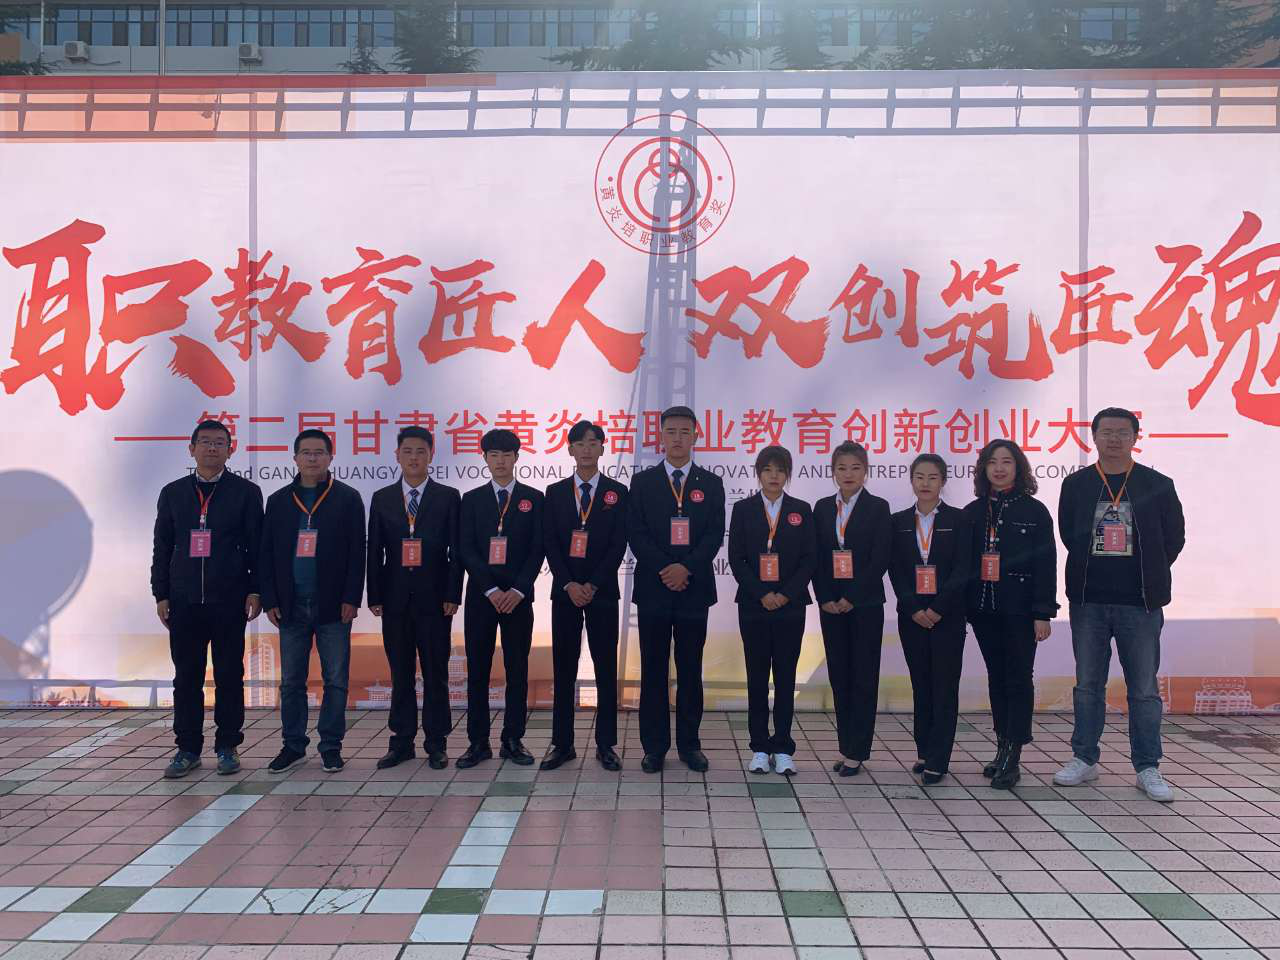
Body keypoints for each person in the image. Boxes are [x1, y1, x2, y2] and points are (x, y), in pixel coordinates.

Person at [1054, 407, 1185, 803]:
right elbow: (1069, 534)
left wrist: (1149, 571)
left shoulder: (1156, 485)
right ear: (1093, 437)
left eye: (1122, 432)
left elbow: (1174, 538)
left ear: (1135, 437)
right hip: (1089, 601)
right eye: (1106, 432)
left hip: (1140, 604)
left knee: (1143, 688)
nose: (1113, 439)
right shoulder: (1077, 485)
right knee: (1087, 685)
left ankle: (1147, 766)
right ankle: (1084, 758)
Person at [151, 419, 263, 778]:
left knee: (230, 675)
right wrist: (161, 593)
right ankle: (187, 748)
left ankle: (228, 746)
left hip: (229, 600)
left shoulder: (246, 492)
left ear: (231, 449)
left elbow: (257, 547)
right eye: (205, 442)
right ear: (192, 448)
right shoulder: (173, 493)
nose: (212, 448)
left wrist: (255, 589)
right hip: (183, 601)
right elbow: (162, 546)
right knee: (186, 677)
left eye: (219, 443)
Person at [626, 406, 726, 773]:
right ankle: (654, 748)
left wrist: (686, 568)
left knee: (690, 669)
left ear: (696, 435)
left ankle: (689, 745)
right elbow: (636, 532)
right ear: (661, 436)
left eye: (685, 431)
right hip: (654, 588)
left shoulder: (711, 483)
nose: (678, 438)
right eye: (671, 431)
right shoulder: (643, 482)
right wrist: (665, 568)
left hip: (693, 589)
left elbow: (714, 534)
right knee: (653, 669)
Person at [260, 429, 366, 774]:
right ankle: (292, 745)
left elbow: (358, 553)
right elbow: (267, 553)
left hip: (333, 605)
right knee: (292, 681)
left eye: (319, 452)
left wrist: (351, 597)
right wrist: (271, 599)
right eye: (305, 452)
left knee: (336, 680)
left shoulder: (347, 498)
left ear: (330, 457)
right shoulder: (278, 501)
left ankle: (330, 747)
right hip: (290, 605)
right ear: (295, 458)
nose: (312, 458)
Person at [963, 439, 1058, 790]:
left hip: (1020, 611)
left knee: (1018, 679)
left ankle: (1013, 755)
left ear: (1019, 467)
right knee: (997, 678)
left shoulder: (1035, 511)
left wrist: (1043, 612)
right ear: (983, 469)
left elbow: (1046, 564)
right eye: (992, 462)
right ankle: (1002, 745)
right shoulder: (972, 512)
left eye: (1007, 462)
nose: (999, 468)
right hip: (983, 610)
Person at [367, 426, 463, 771]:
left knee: (436, 673)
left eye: (420, 451)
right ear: (397, 455)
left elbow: (457, 551)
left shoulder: (448, 496)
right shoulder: (382, 498)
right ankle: (402, 742)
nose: (413, 458)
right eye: (407, 451)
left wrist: (453, 593)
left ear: (431, 455)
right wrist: (374, 595)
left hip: (435, 601)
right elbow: (374, 551)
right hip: (394, 600)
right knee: (401, 673)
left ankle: (436, 743)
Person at [541, 420, 629, 772]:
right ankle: (562, 744)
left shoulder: (617, 492)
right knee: (564, 667)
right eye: (580, 443)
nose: (587, 449)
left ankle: (606, 745)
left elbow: (618, 544)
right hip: (565, 592)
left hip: (602, 591)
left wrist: (592, 584)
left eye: (594, 443)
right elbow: (549, 542)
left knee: (606, 667)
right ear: (570, 449)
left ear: (603, 448)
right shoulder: (555, 492)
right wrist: (569, 584)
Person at [457, 428, 545, 768]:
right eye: (494, 455)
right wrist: (491, 590)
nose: (500, 461)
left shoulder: (533, 498)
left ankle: (513, 740)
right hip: (483, 597)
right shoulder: (472, 499)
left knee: (517, 669)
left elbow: (538, 547)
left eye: (507, 455)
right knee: (478, 670)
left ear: (516, 458)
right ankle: (478, 742)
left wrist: (518, 589)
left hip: (518, 599)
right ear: (485, 459)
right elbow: (466, 548)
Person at [727, 445, 815, 777]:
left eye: (780, 470)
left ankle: (783, 747)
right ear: (758, 473)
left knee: (786, 677)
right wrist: (762, 593)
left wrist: (785, 594)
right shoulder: (743, 509)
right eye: (767, 470)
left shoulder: (801, 510)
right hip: (754, 605)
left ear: (788, 474)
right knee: (757, 678)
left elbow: (809, 558)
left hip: (791, 607)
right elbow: (736, 558)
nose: (774, 476)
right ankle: (760, 748)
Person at [888, 454, 971, 785]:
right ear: (911, 480)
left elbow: (963, 568)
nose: (925, 483)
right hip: (911, 617)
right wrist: (912, 607)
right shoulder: (898, 522)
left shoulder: (959, 520)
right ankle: (924, 751)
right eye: (920, 477)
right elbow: (895, 569)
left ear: (943, 481)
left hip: (947, 617)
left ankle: (939, 759)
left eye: (933, 477)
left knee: (944, 687)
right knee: (921, 685)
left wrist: (938, 608)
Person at [812, 441, 891, 776]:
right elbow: (815, 556)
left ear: (866, 471)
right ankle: (846, 747)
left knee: (863, 678)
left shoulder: (878, 507)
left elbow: (879, 559)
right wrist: (825, 597)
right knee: (840, 676)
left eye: (855, 468)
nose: (848, 474)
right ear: (833, 472)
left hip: (865, 605)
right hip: (831, 606)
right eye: (842, 468)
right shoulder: (822, 508)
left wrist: (852, 597)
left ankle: (858, 751)